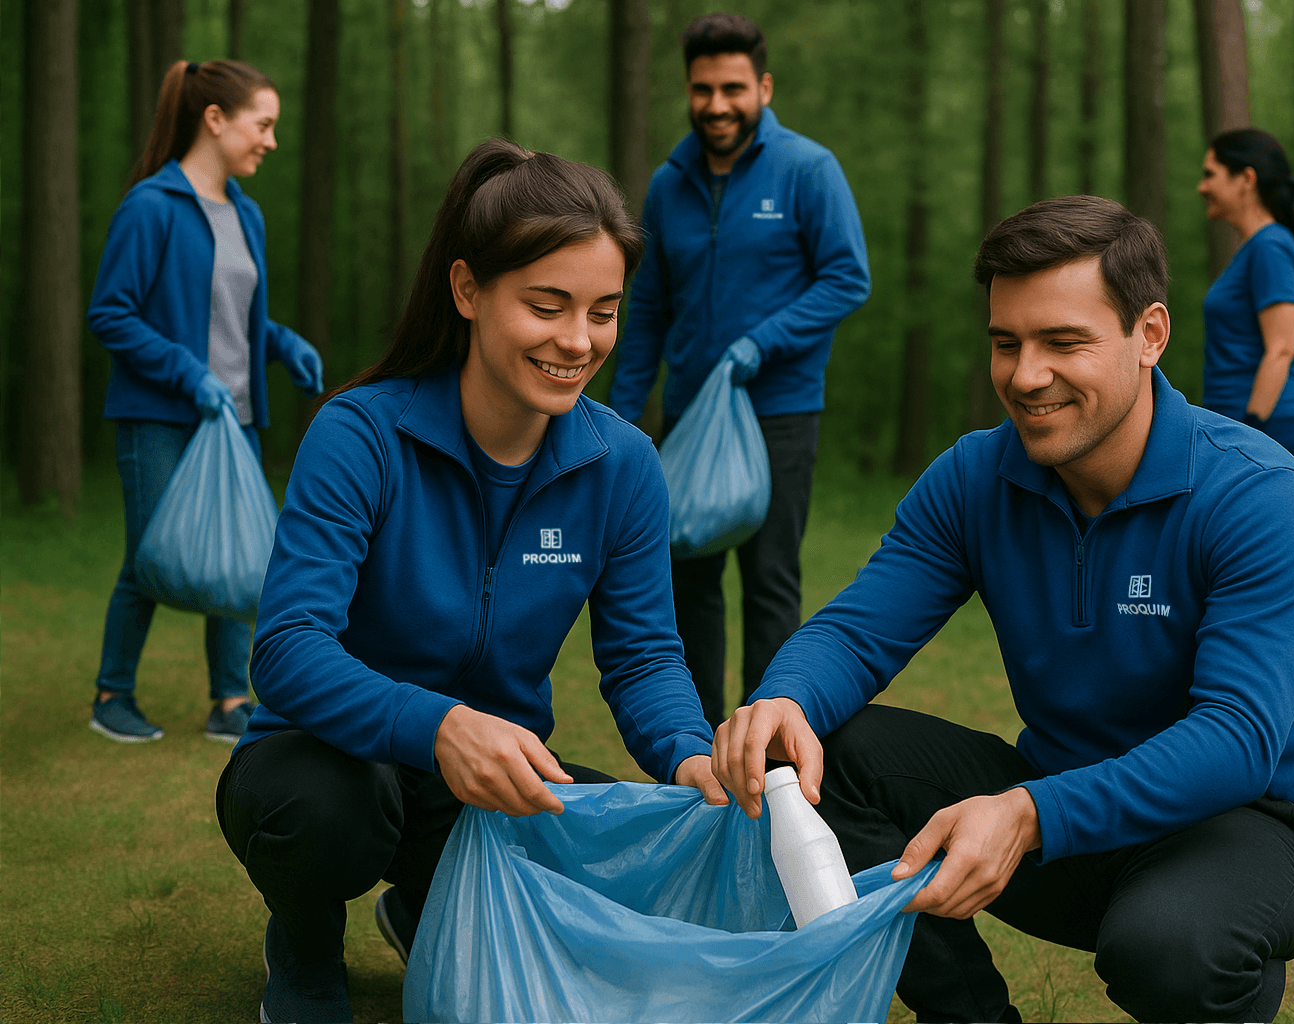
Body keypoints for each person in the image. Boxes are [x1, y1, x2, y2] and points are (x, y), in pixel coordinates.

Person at [713, 196, 1294, 1023]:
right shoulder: (975, 479)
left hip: (1249, 823)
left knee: (1169, 947)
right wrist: (785, 698)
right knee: (821, 754)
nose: (1024, 376)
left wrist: (1029, 813)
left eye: (1063, 342)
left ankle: (1212, 956)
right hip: (1066, 815)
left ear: (1149, 335)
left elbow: (1237, 740)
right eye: (1006, 343)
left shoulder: (1257, 494)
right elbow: (857, 629)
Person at [215, 139, 726, 1024]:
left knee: (613, 853)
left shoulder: (625, 463)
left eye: (604, 312)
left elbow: (644, 657)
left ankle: (428, 909)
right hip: (327, 761)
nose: (578, 341)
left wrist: (690, 754)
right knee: (327, 812)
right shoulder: (359, 434)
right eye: (546, 306)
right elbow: (288, 649)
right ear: (467, 290)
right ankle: (304, 941)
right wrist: (441, 724)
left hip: (490, 779)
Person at [606, 12, 871, 727]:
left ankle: (768, 749)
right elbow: (649, 308)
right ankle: (694, 749)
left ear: (764, 87)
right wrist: (621, 417)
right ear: (688, 91)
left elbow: (847, 277)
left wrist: (762, 342)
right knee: (684, 585)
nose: (716, 105)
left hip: (778, 414)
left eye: (732, 88)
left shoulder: (807, 170)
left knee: (769, 584)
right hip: (688, 420)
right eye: (703, 89)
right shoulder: (669, 184)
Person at [86, 60, 324, 744]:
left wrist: (280, 341)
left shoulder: (246, 213)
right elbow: (111, 313)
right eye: (263, 125)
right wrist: (188, 374)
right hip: (161, 416)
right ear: (215, 120)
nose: (271, 141)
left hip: (234, 416)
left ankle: (229, 701)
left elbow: (228, 314)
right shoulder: (151, 206)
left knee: (237, 555)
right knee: (150, 559)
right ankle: (112, 695)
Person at [1197, 127, 1294, 457]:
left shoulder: (1270, 246)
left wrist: (1251, 430)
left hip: (1260, 420)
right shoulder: (1256, 247)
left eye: (1210, 174)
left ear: (1246, 179)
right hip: (1236, 417)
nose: (1201, 187)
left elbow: (1281, 348)